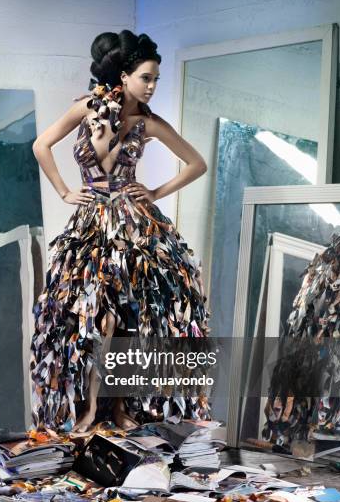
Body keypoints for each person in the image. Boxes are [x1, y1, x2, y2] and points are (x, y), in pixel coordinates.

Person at [30, 29, 211, 433]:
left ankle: (117, 407)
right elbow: (41, 145)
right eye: (146, 77)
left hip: (133, 227)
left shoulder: (148, 123)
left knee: (130, 317)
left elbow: (197, 163)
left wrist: (154, 192)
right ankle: (90, 408)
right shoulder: (87, 108)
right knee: (92, 317)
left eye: (156, 79)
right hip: (91, 228)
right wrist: (63, 191)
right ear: (124, 75)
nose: (152, 86)